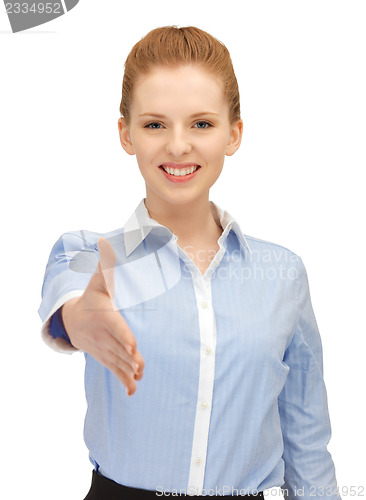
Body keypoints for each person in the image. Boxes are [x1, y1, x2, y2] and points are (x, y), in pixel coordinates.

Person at [38, 26, 342, 499]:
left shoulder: (282, 274)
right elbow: (68, 308)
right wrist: (79, 321)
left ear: (233, 134)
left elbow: (306, 440)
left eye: (201, 124)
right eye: (155, 124)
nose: (178, 146)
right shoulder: (86, 254)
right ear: (126, 135)